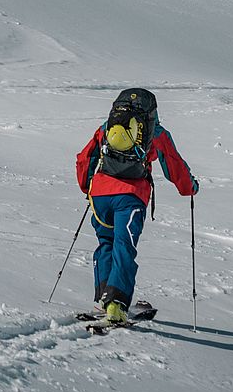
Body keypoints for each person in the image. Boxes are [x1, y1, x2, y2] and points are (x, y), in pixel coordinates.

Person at [74, 88, 198, 322]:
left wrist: (88, 187)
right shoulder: (156, 132)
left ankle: (104, 300)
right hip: (131, 197)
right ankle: (117, 305)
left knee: (106, 243)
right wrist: (189, 188)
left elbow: (85, 157)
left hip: (100, 194)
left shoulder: (106, 127)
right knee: (124, 246)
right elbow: (174, 166)